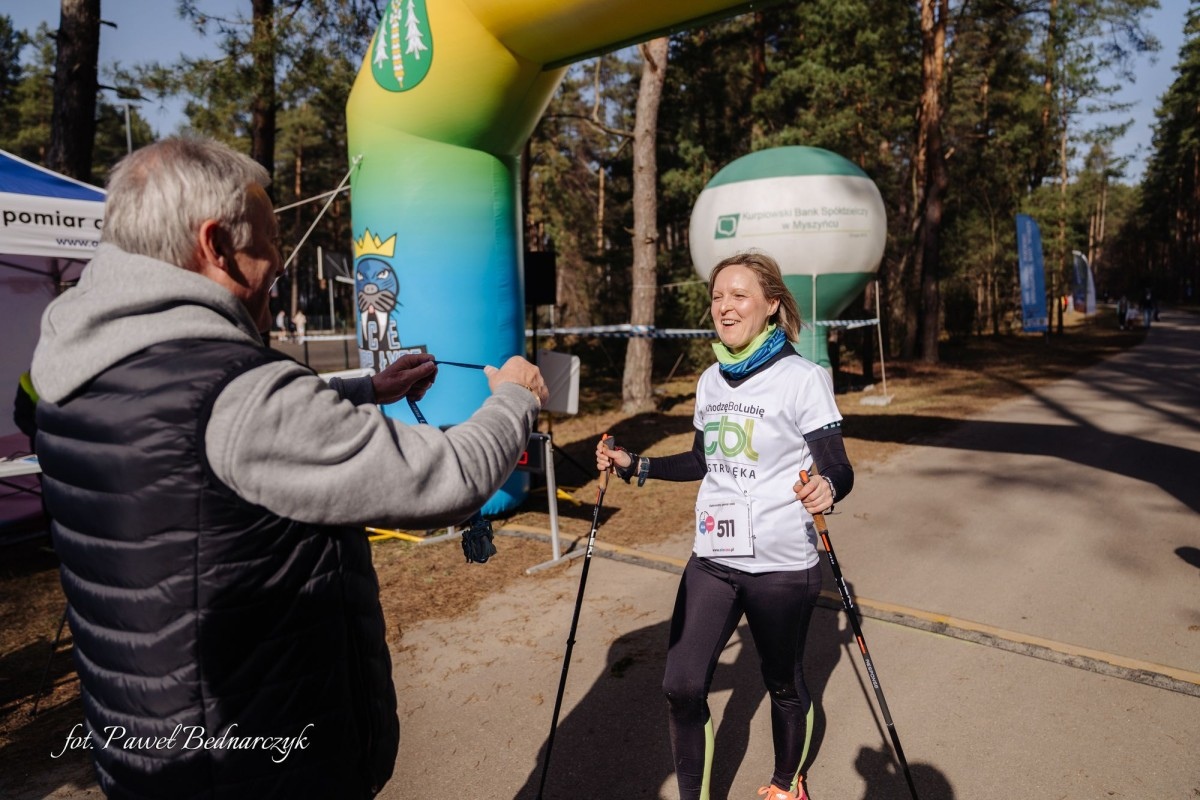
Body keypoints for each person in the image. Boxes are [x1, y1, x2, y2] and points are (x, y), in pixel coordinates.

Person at [30, 136, 548, 799]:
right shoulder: (235, 395)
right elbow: (448, 478)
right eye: (268, 262)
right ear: (215, 246)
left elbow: (197, 451)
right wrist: (513, 397)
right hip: (261, 762)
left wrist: (365, 390)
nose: (275, 277)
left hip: (148, 741)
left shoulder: (85, 362)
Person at [595, 251, 853, 800]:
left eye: (739, 295)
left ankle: (787, 783)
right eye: (717, 296)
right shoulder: (711, 379)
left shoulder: (802, 379)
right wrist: (637, 466)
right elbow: (702, 461)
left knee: (782, 683)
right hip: (713, 556)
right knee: (681, 686)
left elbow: (837, 463)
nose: (725, 306)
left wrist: (826, 487)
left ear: (771, 304)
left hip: (782, 564)